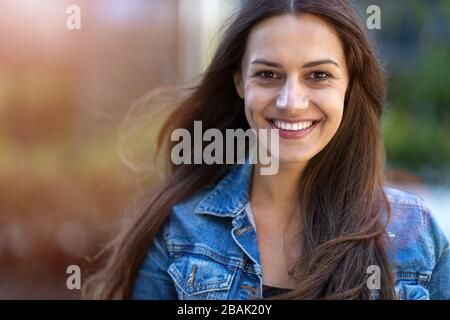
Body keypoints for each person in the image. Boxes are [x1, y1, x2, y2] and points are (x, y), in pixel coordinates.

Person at [82, 0, 450, 300]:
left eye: (318, 75)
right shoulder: (179, 232)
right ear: (240, 81)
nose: (291, 102)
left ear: (349, 85)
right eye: (268, 75)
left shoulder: (417, 235)